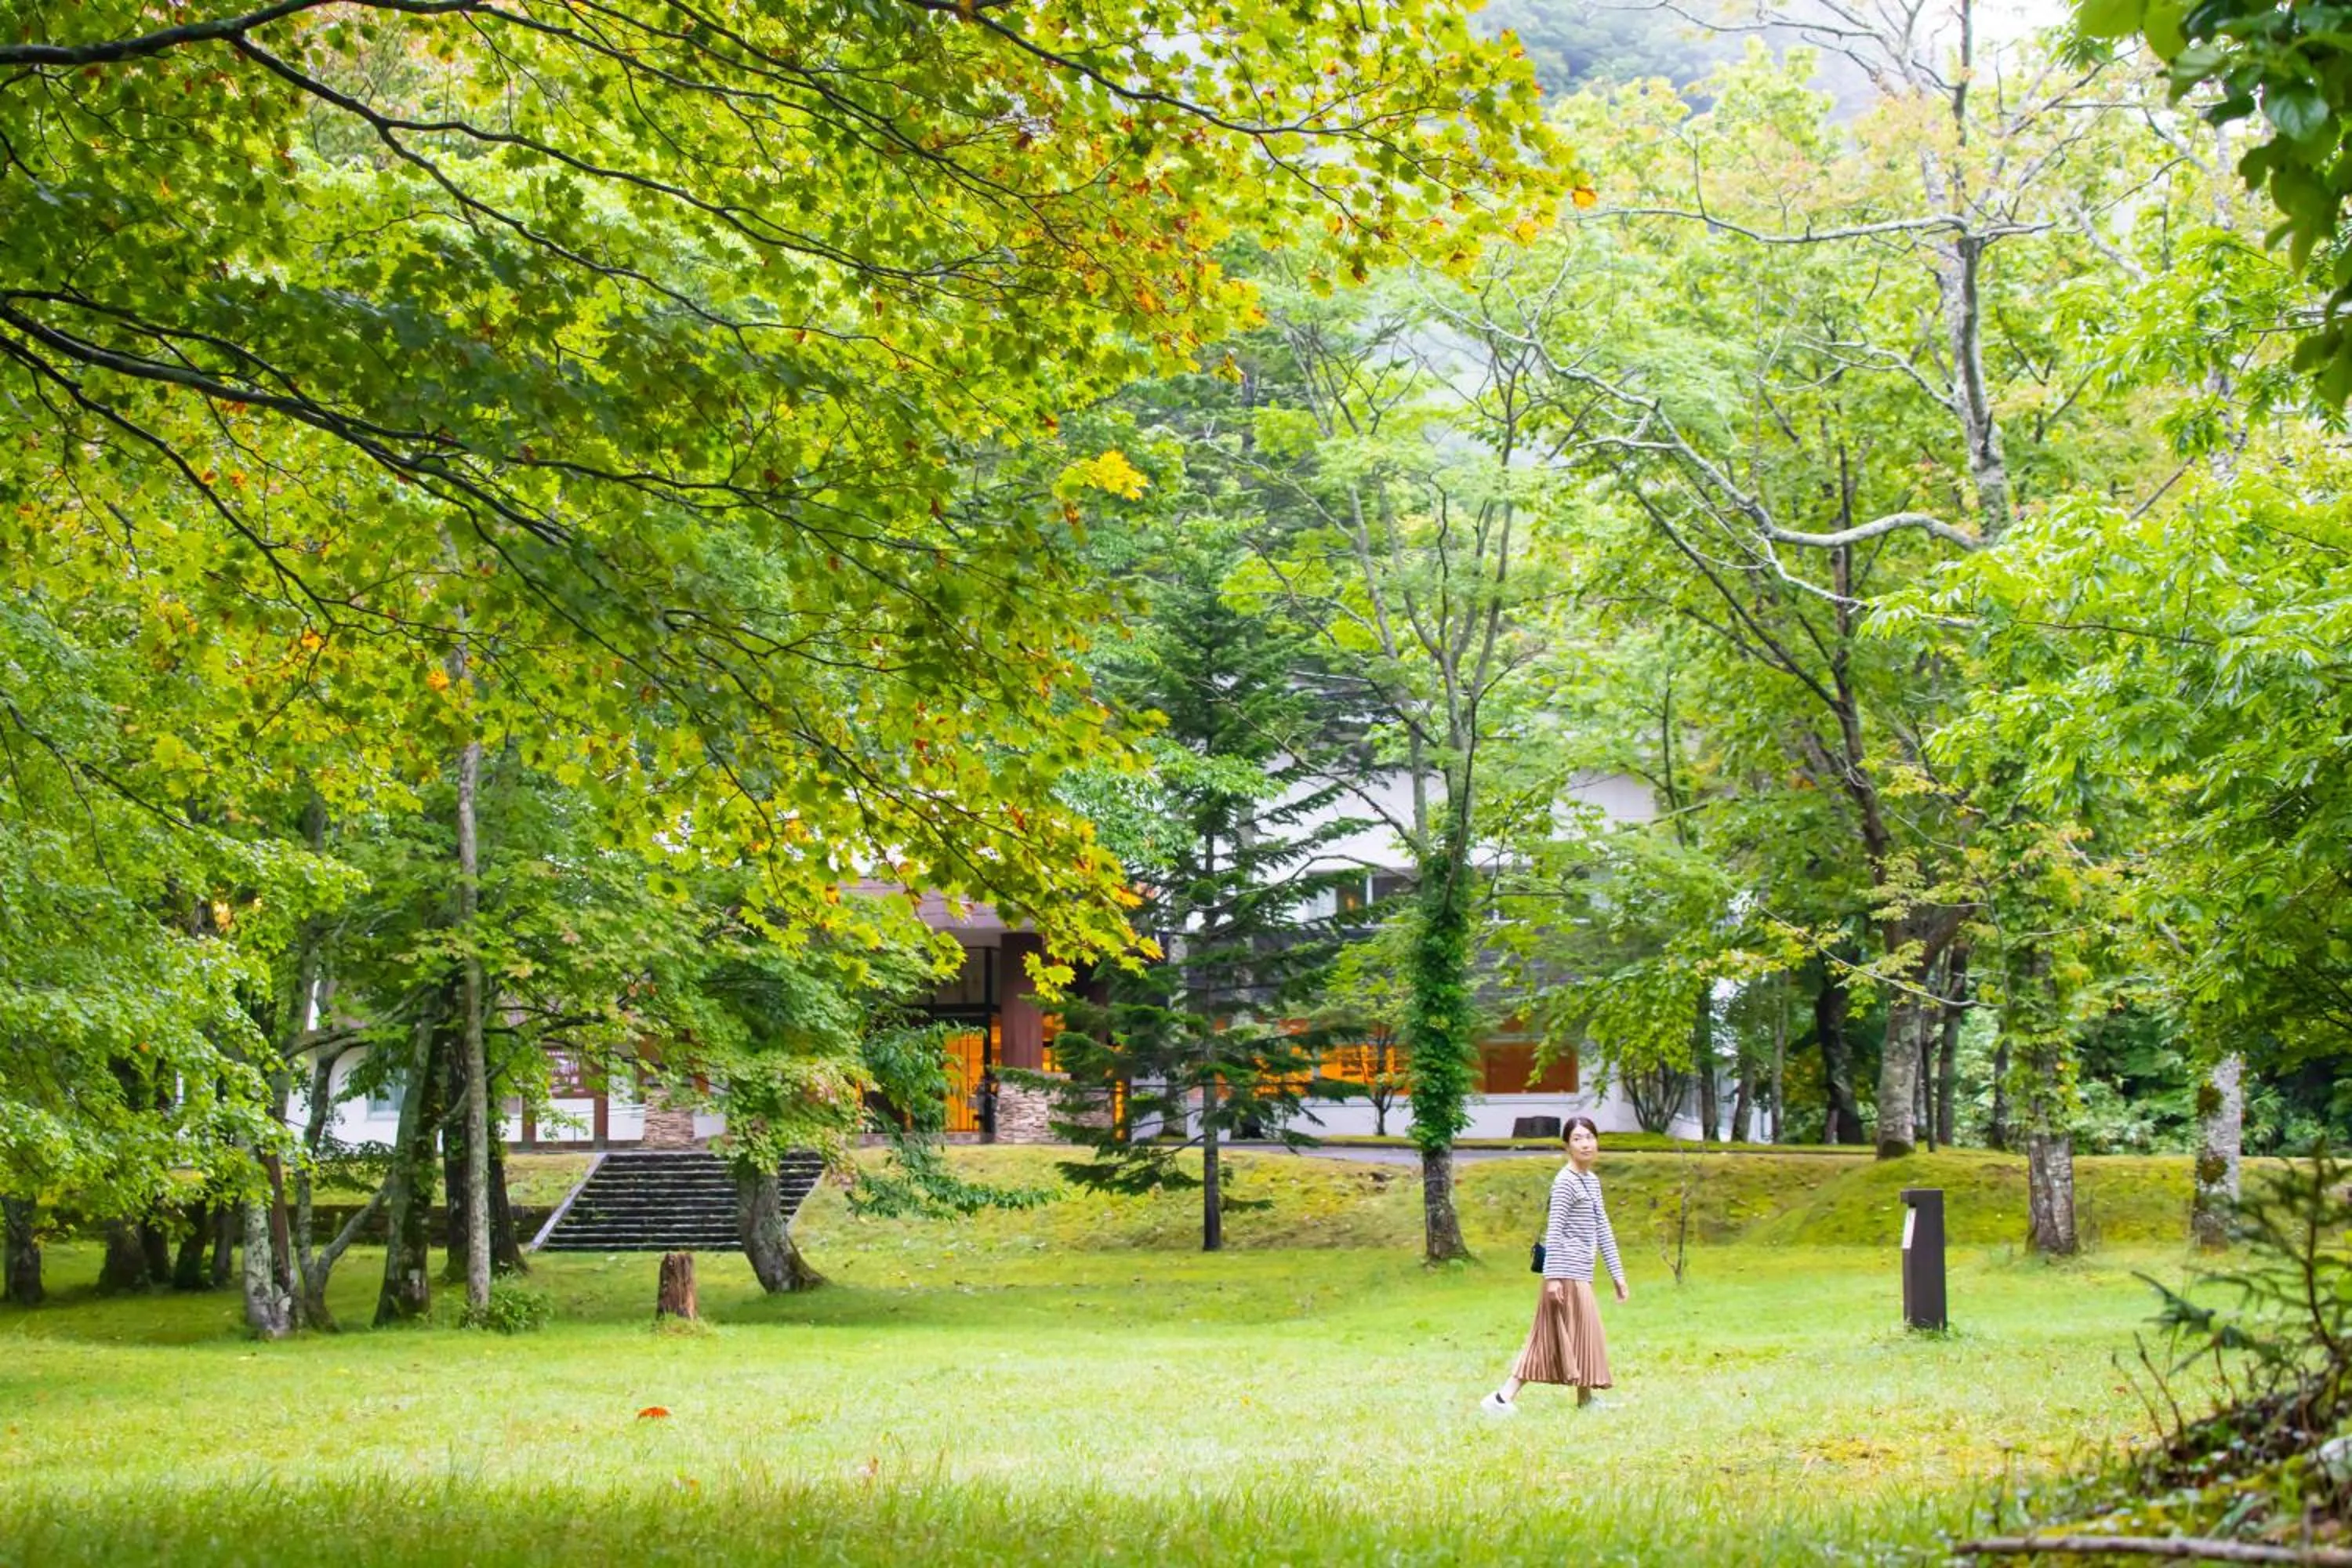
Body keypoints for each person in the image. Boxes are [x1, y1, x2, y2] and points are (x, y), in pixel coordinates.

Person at [1481, 1115, 1628, 1414]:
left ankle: (1585, 1400)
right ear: (1567, 1146)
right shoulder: (1565, 1182)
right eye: (1577, 1139)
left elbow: (1603, 1229)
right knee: (1547, 1339)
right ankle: (1500, 1399)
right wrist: (1553, 1279)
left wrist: (1618, 1275)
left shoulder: (1591, 1181)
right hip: (1565, 1274)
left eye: (1589, 1137)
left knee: (1582, 1333)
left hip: (1581, 1272)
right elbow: (1555, 1230)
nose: (1585, 1144)